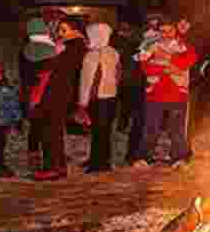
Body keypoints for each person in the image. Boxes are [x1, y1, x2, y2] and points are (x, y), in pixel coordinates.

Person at [134, 18, 198, 168]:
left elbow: (187, 62)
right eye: (162, 31)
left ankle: (179, 157)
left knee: (176, 128)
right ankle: (145, 157)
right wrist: (166, 66)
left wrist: (166, 60)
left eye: (169, 30)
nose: (166, 34)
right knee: (151, 127)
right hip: (155, 93)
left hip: (177, 93)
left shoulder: (183, 46)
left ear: (175, 30)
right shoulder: (151, 46)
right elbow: (145, 67)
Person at [31, 16, 87, 180]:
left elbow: (62, 69)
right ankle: (56, 165)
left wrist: (53, 56)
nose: (60, 33)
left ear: (75, 30)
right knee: (50, 130)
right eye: (59, 30)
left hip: (59, 94)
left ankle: (53, 167)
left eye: (64, 30)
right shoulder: (67, 46)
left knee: (51, 131)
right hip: (55, 93)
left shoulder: (74, 46)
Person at [75, 22, 120, 173]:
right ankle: (100, 160)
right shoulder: (113, 52)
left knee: (98, 131)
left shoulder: (92, 55)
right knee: (105, 131)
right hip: (111, 97)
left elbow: (88, 80)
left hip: (97, 98)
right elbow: (118, 74)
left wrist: (82, 102)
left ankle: (98, 164)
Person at [20, 17, 60, 172]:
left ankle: (34, 158)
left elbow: (25, 74)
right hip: (47, 93)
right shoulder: (52, 49)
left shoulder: (25, 49)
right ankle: (48, 160)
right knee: (47, 129)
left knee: (35, 128)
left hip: (31, 93)